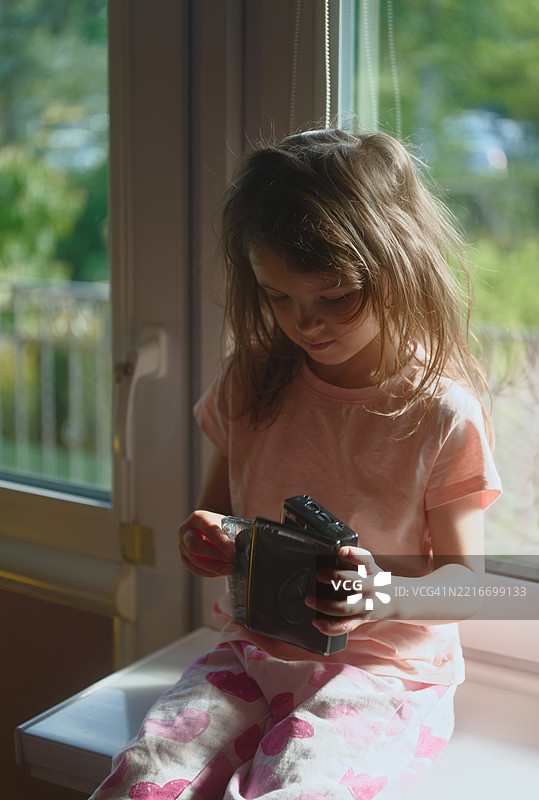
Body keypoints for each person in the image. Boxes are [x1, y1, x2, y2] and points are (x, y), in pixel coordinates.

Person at [90, 129, 501, 800]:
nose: (305, 323)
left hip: (383, 675)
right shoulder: (251, 383)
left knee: (296, 788)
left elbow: (469, 586)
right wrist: (207, 539)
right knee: (144, 776)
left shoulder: (439, 415)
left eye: (334, 297)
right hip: (253, 654)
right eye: (278, 297)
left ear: (398, 267)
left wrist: (378, 596)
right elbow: (218, 519)